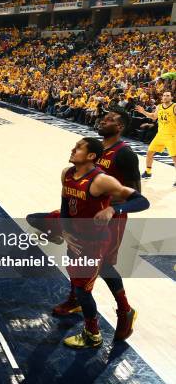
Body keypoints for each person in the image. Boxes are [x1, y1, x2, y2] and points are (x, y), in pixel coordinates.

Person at [59, 137, 149, 349]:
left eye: (79, 147)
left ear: (91, 156)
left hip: (94, 241)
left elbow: (142, 201)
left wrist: (112, 209)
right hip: (77, 237)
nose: (73, 148)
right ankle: (124, 309)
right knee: (95, 274)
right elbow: (64, 204)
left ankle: (92, 334)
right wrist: (65, 231)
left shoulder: (101, 180)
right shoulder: (67, 173)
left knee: (82, 289)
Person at [135, 91, 175, 186]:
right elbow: (153, 117)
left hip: (172, 135)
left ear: (171, 97)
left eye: (168, 96)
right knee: (149, 152)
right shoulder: (159, 106)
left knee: (175, 158)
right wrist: (143, 112)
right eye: (164, 95)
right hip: (160, 135)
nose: (165, 97)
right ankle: (148, 172)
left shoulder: (174, 107)